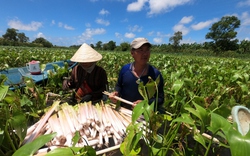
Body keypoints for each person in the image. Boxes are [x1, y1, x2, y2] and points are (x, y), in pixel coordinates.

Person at [109, 37, 164, 111]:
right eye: (141, 50)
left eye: (147, 50)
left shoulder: (155, 74)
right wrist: (116, 93)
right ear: (132, 53)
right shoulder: (125, 70)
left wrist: (145, 103)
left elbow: (160, 99)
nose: (145, 54)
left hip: (144, 115)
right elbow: (119, 85)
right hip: (123, 111)